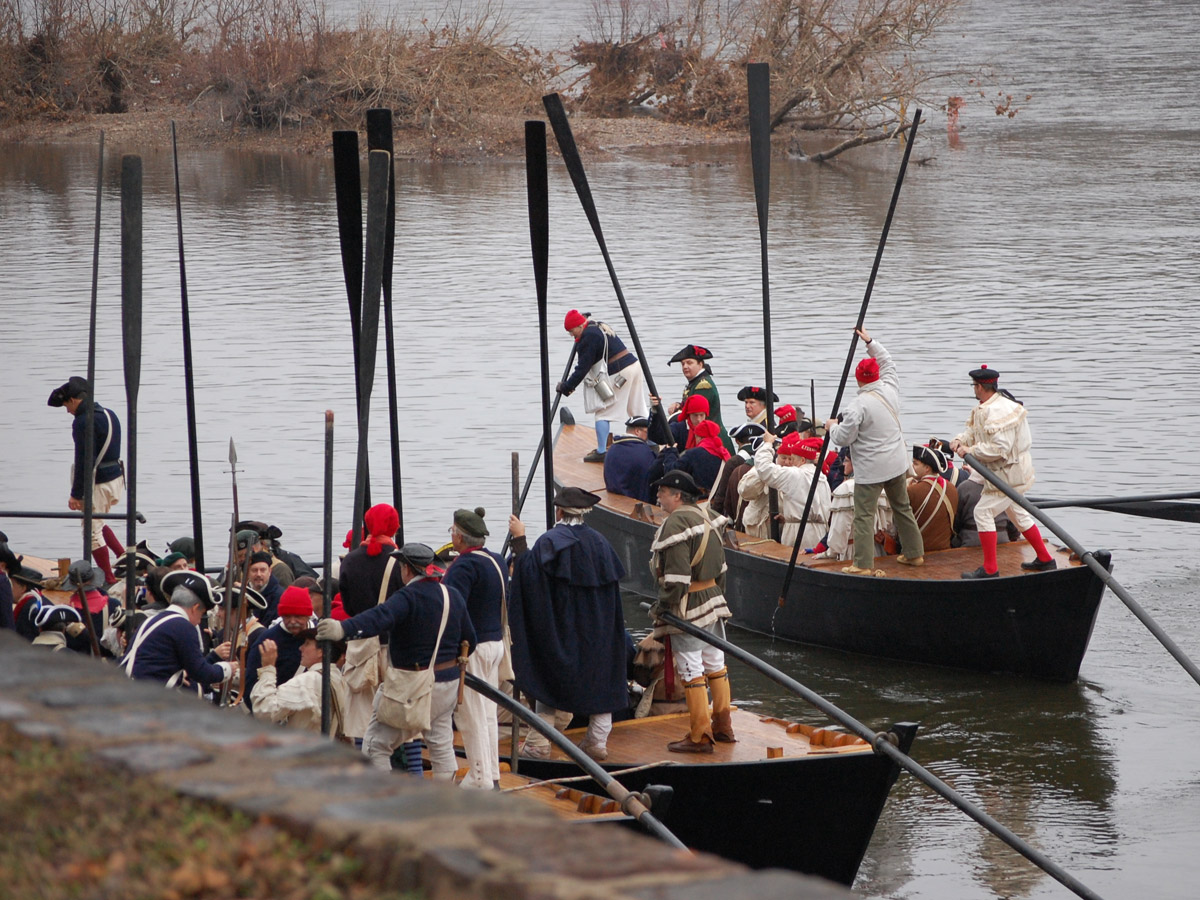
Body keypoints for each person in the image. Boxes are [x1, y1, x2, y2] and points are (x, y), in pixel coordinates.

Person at [316, 543, 477, 777]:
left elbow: (377, 618)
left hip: (409, 685)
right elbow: (469, 639)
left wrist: (342, 629)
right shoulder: (452, 594)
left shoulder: (408, 596)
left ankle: (384, 803)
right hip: (448, 683)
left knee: (376, 745)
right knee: (441, 744)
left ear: (407, 569)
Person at [507, 487, 628, 762]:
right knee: (602, 677)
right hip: (597, 630)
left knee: (548, 676)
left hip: (561, 630)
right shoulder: (600, 543)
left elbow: (528, 580)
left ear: (559, 511)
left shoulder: (550, 542)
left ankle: (538, 744)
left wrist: (519, 540)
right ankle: (597, 741)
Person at [825, 329, 925, 575]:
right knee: (902, 508)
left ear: (859, 379)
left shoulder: (857, 405)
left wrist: (831, 427)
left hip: (871, 470)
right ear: (876, 375)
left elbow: (843, 438)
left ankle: (862, 564)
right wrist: (870, 342)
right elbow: (888, 362)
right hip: (897, 464)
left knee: (863, 516)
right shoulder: (891, 388)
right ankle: (914, 554)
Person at [648, 470, 734, 753]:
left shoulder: (676, 523)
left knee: (691, 669)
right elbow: (721, 568)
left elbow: (676, 578)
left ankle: (700, 736)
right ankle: (723, 727)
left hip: (688, 605)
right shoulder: (706, 515)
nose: (658, 495)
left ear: (676, 495)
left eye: (662, 491)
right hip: (713, 598)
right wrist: (714, 592)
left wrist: (662, 607)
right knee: (715, 665)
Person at [950, 365, 1057, 578]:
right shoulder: (988, 405)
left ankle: (990, 569)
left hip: (1007, 473)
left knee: (983, 512)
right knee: (1017, 513)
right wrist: (960, 439)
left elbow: (1000, 449)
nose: (973, 389)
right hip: (1007, 472)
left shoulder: (998, 410)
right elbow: (975, 431)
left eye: (974, 385)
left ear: (980, 387)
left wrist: (969, 450)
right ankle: (1045, 559)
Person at [441, 507, 508, 790]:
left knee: (470, 715)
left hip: (474, 649)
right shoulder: (496, 560)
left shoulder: (464, 566)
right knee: (488, 712)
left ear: (459, 537)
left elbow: (452, 609)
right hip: (496, 644)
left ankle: (479, 778)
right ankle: (491, 773)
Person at [47, 376, 125, 585]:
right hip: (116, 479)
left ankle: (109, 578)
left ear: (74, 400)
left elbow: (83, 460)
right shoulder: (109, 414)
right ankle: (125, 558)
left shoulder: (83, 421)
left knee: (90, 531)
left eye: (66, 405)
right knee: (99, 523)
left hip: (98, 483)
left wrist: (76, 494)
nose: (67, 411)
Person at [121, 570, 235, 692]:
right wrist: (227, 669)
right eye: (201, 614)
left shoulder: (152, 620)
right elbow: (200, 672)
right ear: (195, 608)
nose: (198, 621)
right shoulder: (183, 627)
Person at [557, 310, 649, 462]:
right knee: (637, 408)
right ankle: (651, 443)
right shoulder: (595, 326)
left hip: (621, 371)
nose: (572, 335)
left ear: (580, 325)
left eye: (572, 331)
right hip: (633, 365)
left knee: (603, 413)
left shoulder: (588, 337)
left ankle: (601, 452)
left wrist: (566, 387)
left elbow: (583, 368)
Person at [250, 630, 350, 735]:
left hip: (302, 749)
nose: (301, 648)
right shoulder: (339, 678)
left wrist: (268, 669)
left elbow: (265, 711)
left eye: (307, 644)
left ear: (322, 651)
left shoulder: (308, 680)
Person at [243, 585, 316, 710]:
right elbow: (251, 686)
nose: (292, 621)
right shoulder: (266, 641)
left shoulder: (320, 636)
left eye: (298, 616)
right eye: (287, 616)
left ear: (308, 615)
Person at [651, 344, 735, 454]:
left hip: (713, 440)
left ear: (700, 364)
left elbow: (694, 411)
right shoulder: (695, 383)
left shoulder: (703, 386)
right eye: (683, 364)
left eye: (689, 363)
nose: (685, 366)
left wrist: (672, 418)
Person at [753, 433, 831, 549]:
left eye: (793, 459)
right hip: (820, 532)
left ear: (803, 460)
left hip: (799, 533)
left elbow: (764, 469)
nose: (790, 463)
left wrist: (767, 444)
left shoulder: (795, 474)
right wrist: (790, 517)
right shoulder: (822, 478)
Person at [647, 419, 730, 497]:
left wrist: (670, 451)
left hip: (697, 503)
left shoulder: (694, 454)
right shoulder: (724, 454)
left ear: (700, 437)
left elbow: (671, 472)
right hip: (717, 504)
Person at [907, 444, 960, 553]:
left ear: (927, 468)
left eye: (916, 464)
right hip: (945, 551)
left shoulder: (912, 491)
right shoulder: (952, 488)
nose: (912, 466)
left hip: (918, 551)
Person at [709, 423, 764, 519]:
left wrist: (712, 519)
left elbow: (722, 497)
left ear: (737, 441)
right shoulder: (765, 459)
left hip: (737, 517)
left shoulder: (733, 462)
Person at [603, 416, 657, 502]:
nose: (648, 437)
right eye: (647, 432)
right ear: (637, 431)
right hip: (637, 502)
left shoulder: (612, 448)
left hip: (613, 498)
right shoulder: (644, 452)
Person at [246, 550, 284, 622]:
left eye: (262, 570)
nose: (258, 574)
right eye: (254, 570)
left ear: (269, 572)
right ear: (248, 572)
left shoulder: (279, 597)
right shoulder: (243, 593)